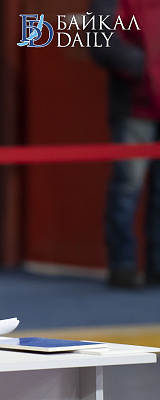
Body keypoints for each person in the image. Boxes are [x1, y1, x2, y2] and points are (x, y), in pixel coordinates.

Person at [89, 0, 160, 287]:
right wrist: (147, 67)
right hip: (134, 106)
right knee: (127, 186)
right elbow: (101, 41)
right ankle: (123, 265)